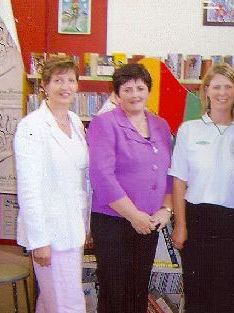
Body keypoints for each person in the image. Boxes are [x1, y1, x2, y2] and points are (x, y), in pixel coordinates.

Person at [87, 63, 173, 313]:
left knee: (137, 291)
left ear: (148, 90)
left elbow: (169, 172)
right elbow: (102, 176)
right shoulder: (104, 123)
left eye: (140, 88)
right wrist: (133, 215)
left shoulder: (161, 125)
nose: (135, 94)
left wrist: (166, 210)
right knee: (115, 292)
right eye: (127, 89)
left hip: (148, 223)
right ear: (117, 93)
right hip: (114, 221)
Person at [170, 63, 234, 313]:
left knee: (225, 294)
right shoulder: (189, 130)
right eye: (216, 86)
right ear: (206, 91)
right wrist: (181, 226)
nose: (222, 92)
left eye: (228, 86)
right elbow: (179, 181)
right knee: (196, 294)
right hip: (196, 218)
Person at [14, 55, 88, 313]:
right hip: (49, 235)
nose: (65, 86)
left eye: (70, 80)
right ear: (44, 84)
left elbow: (79, 180)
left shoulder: (76, 122)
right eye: (58, 80)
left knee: (51, 302)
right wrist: (39, 241)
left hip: (72, 229)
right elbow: (28, 189)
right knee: (68, 305)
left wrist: (84, 224)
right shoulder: (31, 126)